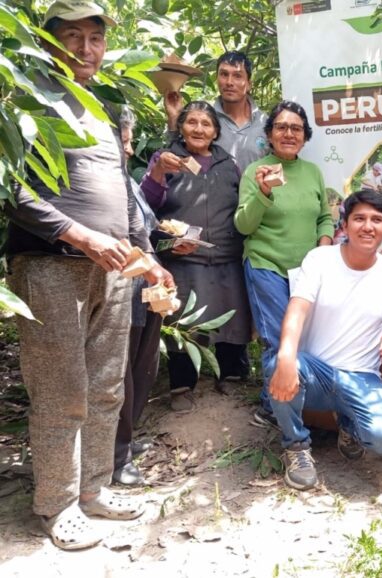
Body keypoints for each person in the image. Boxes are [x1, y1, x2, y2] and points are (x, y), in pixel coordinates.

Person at [4, 0, 174, 550]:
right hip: (52, 267)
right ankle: (57, 503)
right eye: (71, 36)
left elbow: (123, 191)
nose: (85, 48)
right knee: (62, 391)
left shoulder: (100, 107)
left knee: (104, 388)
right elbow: (12, 189)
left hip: (116, 271)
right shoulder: (26, 100)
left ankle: (94, 489)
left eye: (94, 38)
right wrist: (79, 236)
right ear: (46, 41)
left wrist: (147, 256)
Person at [267, 190, 382, 490]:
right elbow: (297, 308)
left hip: (362, 379)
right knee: (276, 362)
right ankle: (296, 447)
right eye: (359, 218)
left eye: (376, 219)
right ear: (344, 224)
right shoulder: (320, 259)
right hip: (315, 372)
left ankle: (348, 425)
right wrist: (285, 356)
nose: (367, 226)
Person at [142, 101, 252, 411]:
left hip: (226, 253)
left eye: (206, 123)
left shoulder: (229, 164)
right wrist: (160, 170)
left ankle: (231, 375)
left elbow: (241, 205)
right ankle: (181, 386)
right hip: (183, 256)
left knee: (232, 315)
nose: (199, 129)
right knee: (184, 318)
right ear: (181, 126)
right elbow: (148, 205)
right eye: (192, 122)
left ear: (216, 131)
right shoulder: (167, 159)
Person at [235, 101, 334, 425]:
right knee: (277, 338)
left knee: (303, 339)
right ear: (270, 134)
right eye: (281, 127)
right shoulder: (256, 171)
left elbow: (324, 218)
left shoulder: (312, 172)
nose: (289, 133)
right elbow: (243, 226)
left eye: (296, 128)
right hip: (266, 265)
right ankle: (273, 408)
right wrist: (263, 192)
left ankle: (275, 401)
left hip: (305, 271)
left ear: (305, 136)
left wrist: (323, 249)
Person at [112, 107, 163, 485]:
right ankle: (115, 456)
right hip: (121, 288)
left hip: (145, 287)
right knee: (120, 372)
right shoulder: (101, 182)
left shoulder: (125, 179)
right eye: (124, 142)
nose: (129, 150)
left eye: (130, 143)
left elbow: (144, 228)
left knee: (142, 367)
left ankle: (126, 442)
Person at [164, 50, 268, 169]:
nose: (229, 82)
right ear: (217, 79)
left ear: (249, 84)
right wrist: (174, 118)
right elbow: (180, 159)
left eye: (237, 76)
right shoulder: (204, 120)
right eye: (224, 74)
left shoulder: (265, 123)